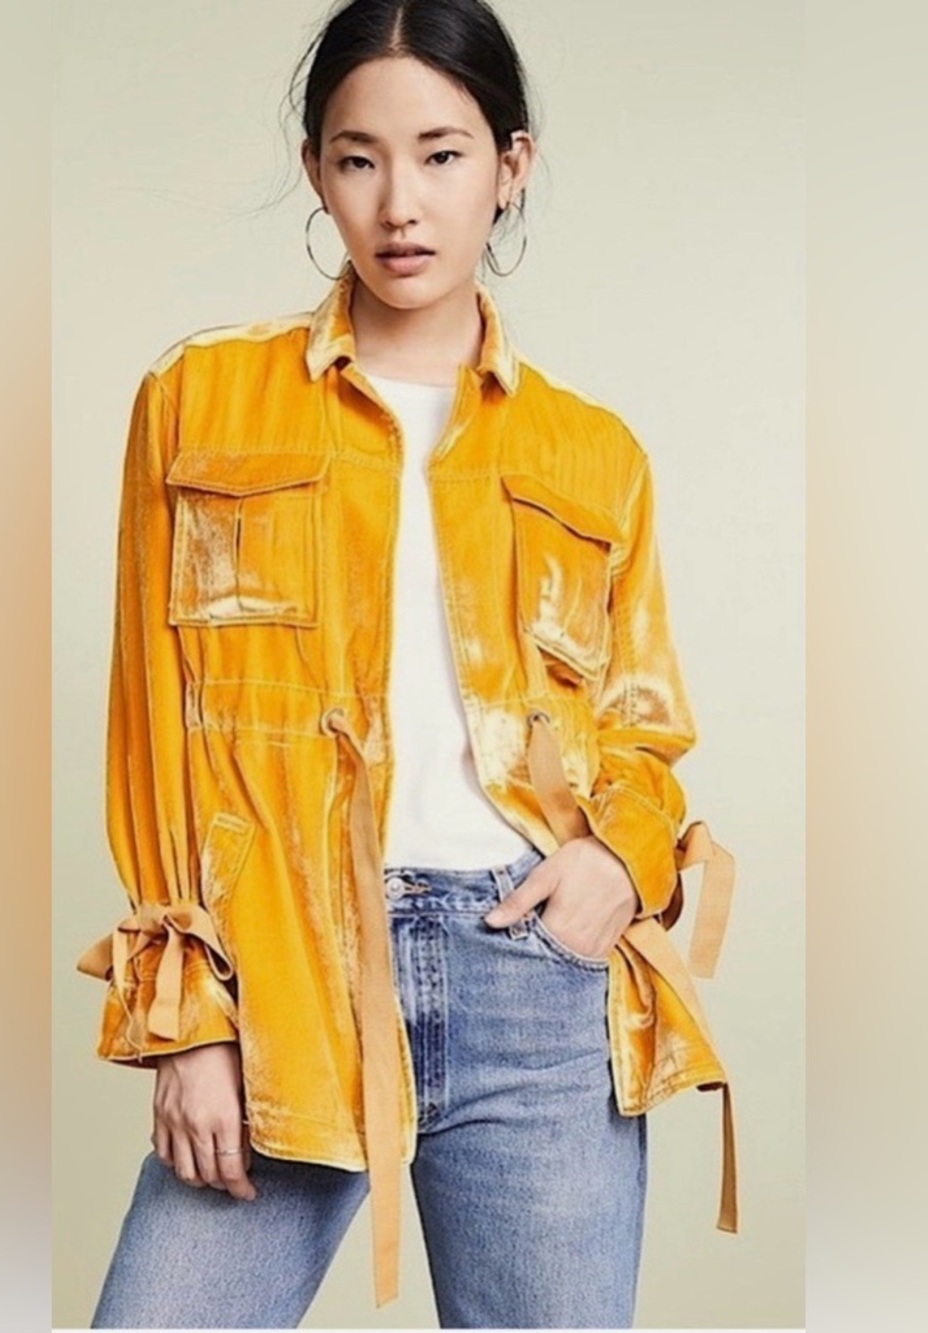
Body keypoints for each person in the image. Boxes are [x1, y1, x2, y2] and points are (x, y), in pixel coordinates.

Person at [77, 0, 738, 1327]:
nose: (401, 203)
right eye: (359, 157)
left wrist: (618, 862)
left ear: (511, 165)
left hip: (535, 980)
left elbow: (640, 729)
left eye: (442, 154)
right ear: (317, 171)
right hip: (283, 964)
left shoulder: (592, 452)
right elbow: (153, 726)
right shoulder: (200, 401)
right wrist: (187, 1016)